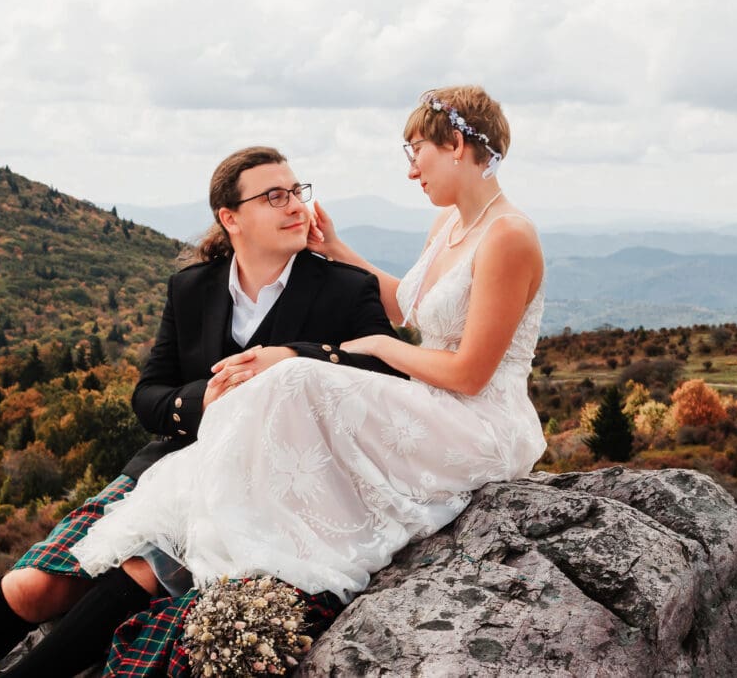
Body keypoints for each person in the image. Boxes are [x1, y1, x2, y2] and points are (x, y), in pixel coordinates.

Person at [70, 82, 546, 645]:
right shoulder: (449, 225)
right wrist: (339, 252)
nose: (412, 170)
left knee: (295, 375)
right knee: (295, 384)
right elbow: (413, 306)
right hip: (436, 400)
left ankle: (244, 539)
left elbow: (470, 373)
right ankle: (220, 523)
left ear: (457, 146)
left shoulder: (508, 236)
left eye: (416, 151)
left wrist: (379, 346)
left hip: (478, 421)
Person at [0, 147, 406, 678]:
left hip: (272, 486)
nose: (295, 205)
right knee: (34, 586)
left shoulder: (345, 289)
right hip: (167, 469)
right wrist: (200, 401)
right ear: (229, 218)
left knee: (143, 571)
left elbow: (390, 380)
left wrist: (298, 359)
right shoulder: (192, 288)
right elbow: (149, 395)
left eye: (298, 191)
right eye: (274, 196)